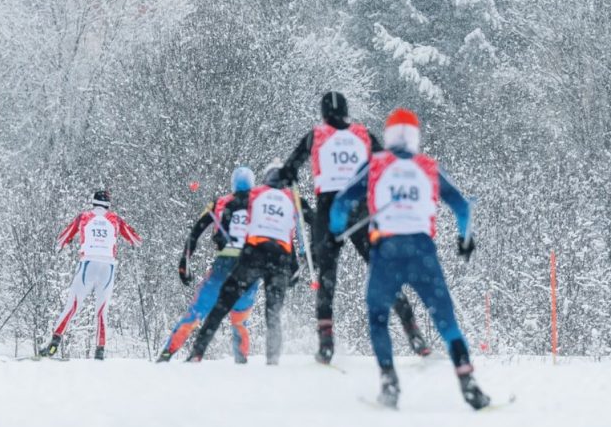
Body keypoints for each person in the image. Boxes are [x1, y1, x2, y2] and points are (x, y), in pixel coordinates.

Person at [330, 108, 489, 410]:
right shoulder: (428, 167)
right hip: (422, 252)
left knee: (378, 318)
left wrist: (337, 231)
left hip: (386, 251)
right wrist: (464, 240)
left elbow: (341, 203)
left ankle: (389, 383)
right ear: (415, 137)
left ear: (389, 135)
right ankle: (469, 384)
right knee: (446, 322)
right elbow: (463, 207)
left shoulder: (376, 164)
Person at [279, 91, 429, 364]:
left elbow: (289, 169)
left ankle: (326, 342)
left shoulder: (316, 135)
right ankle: (414, 333)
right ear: (347, 111)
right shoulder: (363, 134)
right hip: (360, 209)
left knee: (327, 277)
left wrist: (287, 178)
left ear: (323, 114)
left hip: (330, 210)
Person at [185, 161, 302, 365]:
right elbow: (290, 234)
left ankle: (198, 351)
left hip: (251, 259)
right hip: (276, 260)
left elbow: (229, 210)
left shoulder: (256, 197)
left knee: (223, 306)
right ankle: (270, 359)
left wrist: (221, 230)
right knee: (268, 312)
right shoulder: (285, 201)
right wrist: (294, 265)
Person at [157, 165, 261, 363]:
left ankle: (168, 354)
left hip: (224, 264)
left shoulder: (221, 203)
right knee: (239, 320)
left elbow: (195, 232)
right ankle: (241, 361)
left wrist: (184, 262)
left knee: (198, 312)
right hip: (250, 266)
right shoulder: (260, 205)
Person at [37, 188, 141, 359]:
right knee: (101, 311)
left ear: (93, 201)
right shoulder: (115, 219)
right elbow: (136, 240)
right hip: (108, 266)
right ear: (108, 204)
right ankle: (100, 351)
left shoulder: (84, 217)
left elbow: (62, 239)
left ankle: (53, 345)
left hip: (88, 263)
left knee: (72, 305)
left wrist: (66, 242)